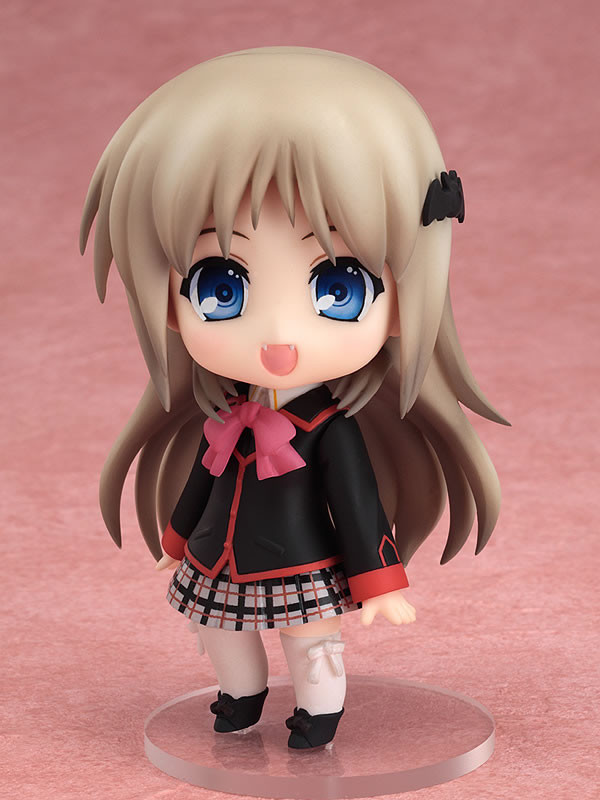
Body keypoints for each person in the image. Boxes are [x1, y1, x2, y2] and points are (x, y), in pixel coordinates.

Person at [80, 46, 507, 750]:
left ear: (407, 297)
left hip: (301, 559)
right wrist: (177, 540)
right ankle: (239, 697)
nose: (278, 334)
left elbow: (357, 503)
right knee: (217, 628)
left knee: (312, 640)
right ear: (167, 297)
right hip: (217, 555)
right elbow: (202, 480)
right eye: (221, 286)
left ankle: (319, 711)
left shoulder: (329, 426)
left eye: (339, 289)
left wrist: (380, 582)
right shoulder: (225, 414)